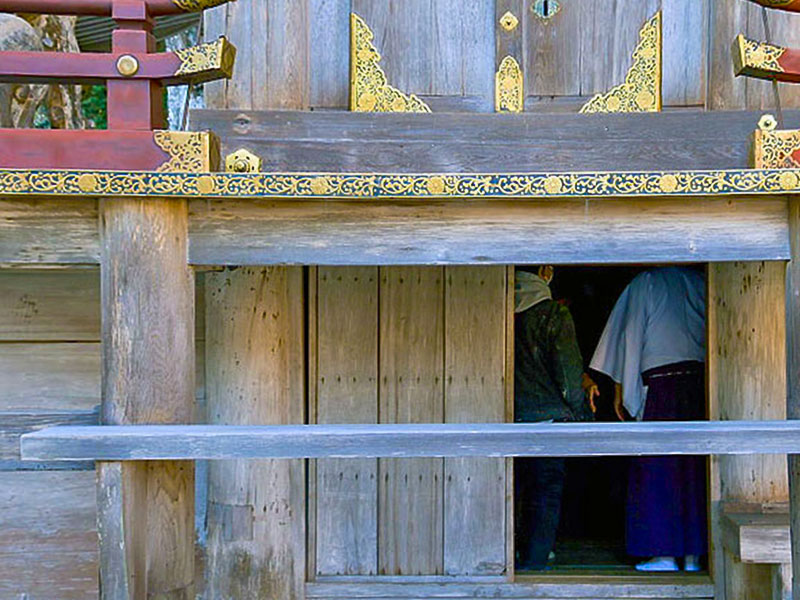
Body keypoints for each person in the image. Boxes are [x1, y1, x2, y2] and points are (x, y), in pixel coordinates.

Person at [590, 266, 706, 572]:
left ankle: (664, 554)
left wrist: (623, 392)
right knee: (694, 470)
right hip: (701, 385)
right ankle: (694, 556)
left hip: (661, 386)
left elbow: (630, 336)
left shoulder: (646, 282)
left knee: (658, 467)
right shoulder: (700, 280)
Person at [514, 266, 597, 571]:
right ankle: (535, 560)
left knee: (511, 485)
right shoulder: (552, 315)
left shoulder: (493, 307)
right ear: (546, 271)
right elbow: (567, 376)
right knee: (545, 488)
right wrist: (581, 412)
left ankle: (510, 552)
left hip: (502, 418)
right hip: (546, 419)